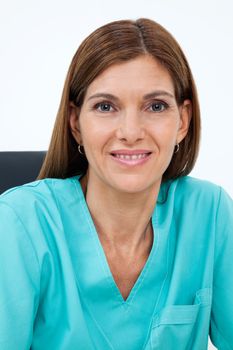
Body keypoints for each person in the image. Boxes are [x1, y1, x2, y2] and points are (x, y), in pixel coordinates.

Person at [0, 18, 232, 350]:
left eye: (155, 106)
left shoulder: (209, 213)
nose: (131, 131)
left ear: (182, 121)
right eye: (106, 107)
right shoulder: (20, 223)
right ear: (75, 123)